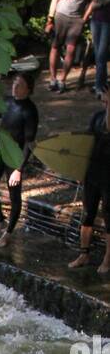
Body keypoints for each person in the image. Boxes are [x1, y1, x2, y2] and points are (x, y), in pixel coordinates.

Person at [0, 71, 39, 247]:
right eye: (14, 83)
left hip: (15, 157)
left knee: (15, 196)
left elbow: (29, 143)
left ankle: (8, 233)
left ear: (29, 89)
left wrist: (19, 169)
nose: (15, 87)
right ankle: (0, 221)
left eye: (20, 85)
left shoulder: (30, 111)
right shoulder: (6, 102)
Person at [68, 88, 110, 275]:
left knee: (109, 218)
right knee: (87, 214)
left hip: (109, 177)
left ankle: (107, 259)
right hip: (92, 173)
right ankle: (83, 254)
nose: (104, 99)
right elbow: (86, 143)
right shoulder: (96, 116)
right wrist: (79, 168)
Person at [46, 0, 94, 92]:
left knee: (71, 50)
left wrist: (85, 17)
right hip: (61, 14)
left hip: (77, 18)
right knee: (55, 46)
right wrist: (49, 18)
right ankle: (53, 79)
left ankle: (63, 80)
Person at [83, 0, 110, 97]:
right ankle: (102, 84)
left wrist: (96, 2)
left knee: (101, 55)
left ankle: (99, 86)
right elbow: (95, 1)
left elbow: (99, 2)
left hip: (107, 22)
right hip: (96, 21)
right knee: (99, 53)